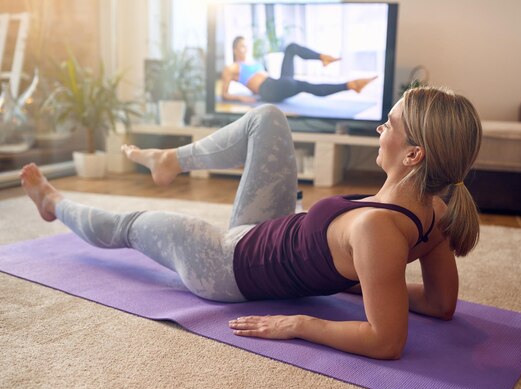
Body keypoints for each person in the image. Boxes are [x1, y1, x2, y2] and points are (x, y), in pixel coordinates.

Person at [21, 86, 482, 360]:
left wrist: (300, 324)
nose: (380, 130)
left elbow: (386, 341)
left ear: (413, 155)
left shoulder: (376, 231)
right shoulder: (435, 212)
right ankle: (169, 160)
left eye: (389, 125)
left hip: (226, 264)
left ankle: (54, 204)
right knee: (267, 117)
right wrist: (369, 282)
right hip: (271, 227)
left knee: (130, 224)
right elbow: (442, 303)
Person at [222, 36, 377, 103]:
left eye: (246, 45)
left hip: (275, 83)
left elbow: (252, 80)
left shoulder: (251, 61)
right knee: (304, 85)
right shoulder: (231, 68)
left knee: (291, 48)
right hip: (269, 90)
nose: (246, 49)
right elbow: (224, 94)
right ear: (235, 49)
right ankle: (350, 85)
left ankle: (323, 57)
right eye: (242, 46)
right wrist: (241, 98)